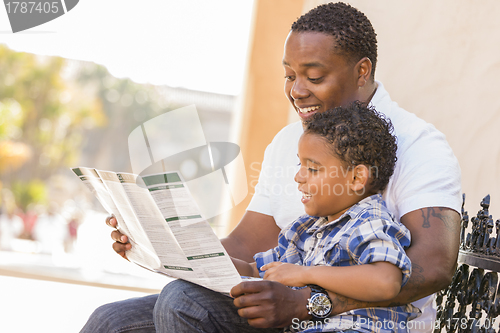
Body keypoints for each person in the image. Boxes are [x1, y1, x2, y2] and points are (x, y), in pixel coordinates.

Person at [81, 2, 461, 332]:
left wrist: (305, 302)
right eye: (289, 75)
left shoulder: (419, 146)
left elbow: (433, 267)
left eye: (314, 77)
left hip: (360, 321)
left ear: (362, 72)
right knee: (110, 323)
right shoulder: (288, 141)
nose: (296, 91)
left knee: (183, 304)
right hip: (282, 306)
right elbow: (246, 247)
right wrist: (160, 244)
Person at [230, 102, 419, 333]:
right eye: (300, 164)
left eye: (313, 169)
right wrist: (198, 262)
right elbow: (259, 271)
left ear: (357, 178)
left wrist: (305, 273)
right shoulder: (304, 229)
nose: (298, 177)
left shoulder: (370, 221)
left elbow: (386, 282)